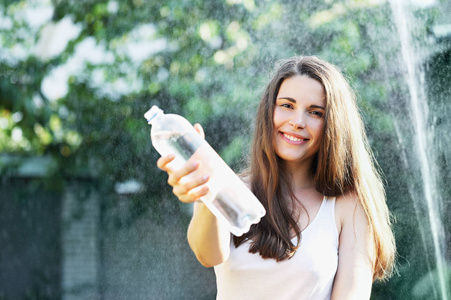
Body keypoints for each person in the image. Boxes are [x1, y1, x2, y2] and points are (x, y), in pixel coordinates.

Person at [157, 56, 396, 299]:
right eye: (287, 106)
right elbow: (208, 255)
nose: (297, 122)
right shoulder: (230, 188)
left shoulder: (349, 205)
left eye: (315, 112)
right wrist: (206, 187)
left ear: (333, 124)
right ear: (269, 111)